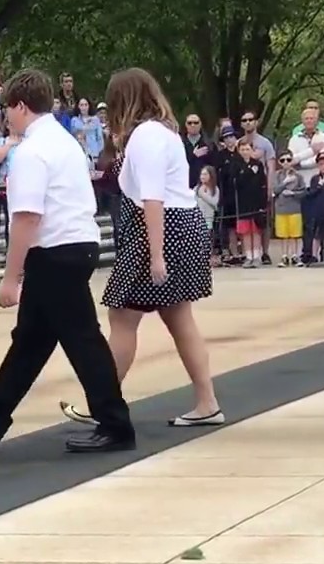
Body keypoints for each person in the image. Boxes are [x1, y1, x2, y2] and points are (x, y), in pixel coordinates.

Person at [0, 69, 134, 453]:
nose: (6, 117)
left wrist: (10, 277)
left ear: (21, 106)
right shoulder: (63, 141)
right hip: (75, 244)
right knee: (31, 341)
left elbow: (26, 218)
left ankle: (116, 423)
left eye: (8, 109)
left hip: (55, 251)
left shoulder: (32, 152)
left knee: (83, 340)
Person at [59, 68, 220, 427]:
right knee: (179, 317)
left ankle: (102, 402)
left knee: (122, 317)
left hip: (158, 230)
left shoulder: (146, 136)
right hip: (182, 224)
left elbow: (151, 198)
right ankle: (207, 402)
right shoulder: (163, 132)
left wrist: (157, 254)